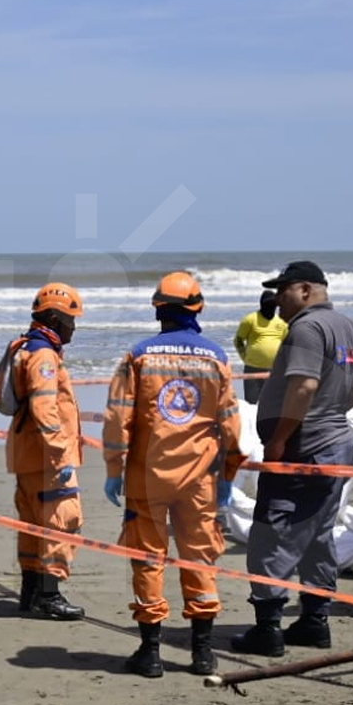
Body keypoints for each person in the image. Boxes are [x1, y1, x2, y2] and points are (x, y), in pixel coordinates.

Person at [234, 261, 353, 656]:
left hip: (305, 445)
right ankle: (314, 621)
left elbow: (304, 386)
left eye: (281, 291)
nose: (277, 300)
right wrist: (338, 409)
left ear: (303, 290)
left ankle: (268, 627)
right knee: (317, 532)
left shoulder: (306, 328)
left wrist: (281, 438)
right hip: (334, 442)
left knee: (271, 532)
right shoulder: (349, 327)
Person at [102, 272, 245, 678]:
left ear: (158, 310)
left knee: (148, 559)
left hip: (147, 478)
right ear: (197, 308)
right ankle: (202, 653)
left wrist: (114, 469)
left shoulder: (138, 356)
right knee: (200, 558)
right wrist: (229, 476)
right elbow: (231, 425)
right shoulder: (216, 357)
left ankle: (150, 654)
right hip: (199, 480)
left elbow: (117, 419)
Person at [7, 282, 87, 620]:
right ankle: (49, 596)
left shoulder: (28, 348)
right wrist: (61, 457)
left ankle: (30, 592)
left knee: (32, 524)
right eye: (71, 319)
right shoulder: (43, 356)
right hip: (47, 458)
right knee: (60, 522)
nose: (73, 327)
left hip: (28, 454)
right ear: (55, 319)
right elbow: (45, 410)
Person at [233, 290, 289, 404]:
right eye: (268, 304)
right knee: (251, 403)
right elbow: (238, 340)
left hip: (275, 370)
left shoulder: (282, 322)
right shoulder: (250, 319)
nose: (270, 307)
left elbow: (286, 343)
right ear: (262, 305)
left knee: (273, 404)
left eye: (273, 305)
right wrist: (245, 357)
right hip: (252, 368)